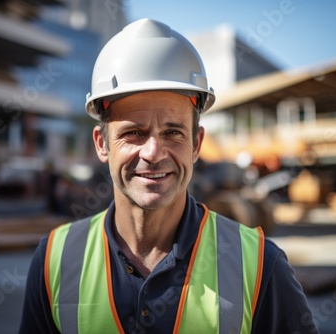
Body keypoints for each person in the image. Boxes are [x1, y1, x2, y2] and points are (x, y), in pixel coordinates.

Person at [19, 18, 318, 334]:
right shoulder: (56, 259)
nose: (153, 152)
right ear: (101, 144)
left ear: (196, 144)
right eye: (133, 132)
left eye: (173, 132)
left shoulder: (259, 266)